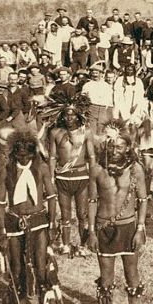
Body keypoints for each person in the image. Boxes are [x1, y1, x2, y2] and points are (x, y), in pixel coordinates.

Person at [0, 130, 60, 304]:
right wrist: (2, 231)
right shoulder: (7, 170)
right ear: (13, 153)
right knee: (16, 269)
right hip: (14, 222)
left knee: (40, 268)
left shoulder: (41, 168)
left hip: (38, 221)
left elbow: (51, 196)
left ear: (33, 153)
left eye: (27, 155)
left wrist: (52, 224)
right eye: (19, 155)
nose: (23, 159)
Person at [88, 124, 148, 304]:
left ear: (128, 148)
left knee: (132, 274)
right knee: (106, 277)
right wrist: (92, 231)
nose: (115, 151)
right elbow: (93, 200)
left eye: (121, 147)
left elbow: (142, 200)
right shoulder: (97, 169)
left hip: (128, 227)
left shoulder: (135, 170)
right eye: (112, 146)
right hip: (104, 228)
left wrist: (140, 229)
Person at [45, 94, 96, 256]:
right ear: (61, 114)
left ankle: (82, 245)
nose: (69, 117)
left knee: (82, 214)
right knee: (65, 213)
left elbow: (92, 156)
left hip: (81, 177)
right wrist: (51, 178)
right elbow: (52, 156)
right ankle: (66, 245)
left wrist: (93, 177)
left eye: (73, 113)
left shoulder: (86, 132)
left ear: (78, 115)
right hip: (62, 178)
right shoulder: (55, 132)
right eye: (66, 113)